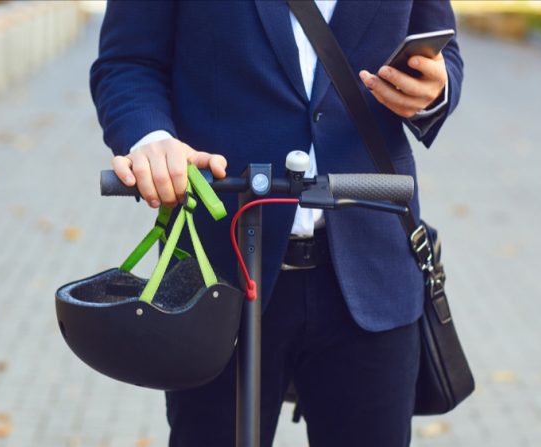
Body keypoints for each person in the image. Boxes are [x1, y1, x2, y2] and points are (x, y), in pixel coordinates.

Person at [90, 1, 463, 446]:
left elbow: (445, 52)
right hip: (220, 272)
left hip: (372, 264)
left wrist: (434, 90)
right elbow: (128, 62)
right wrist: (151, 138)